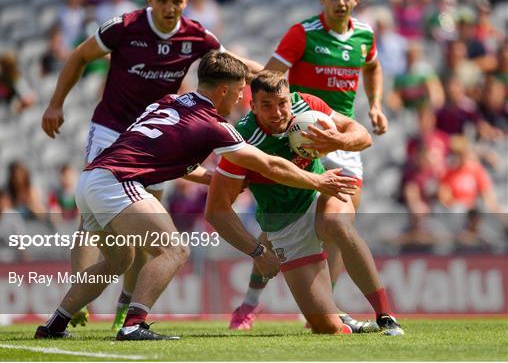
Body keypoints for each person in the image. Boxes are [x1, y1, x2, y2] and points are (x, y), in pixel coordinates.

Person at [34, 51, 357, 341]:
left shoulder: (169, 102)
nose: (242, 97)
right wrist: (316, 180)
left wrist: (218, 178)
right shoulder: (214, 124)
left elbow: (171, 161)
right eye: (241, 91)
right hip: (118, 182)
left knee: (120, 259)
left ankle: (54, 325)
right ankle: (134, 324)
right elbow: (269, 163)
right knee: (173, 249)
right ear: (224, 91)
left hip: (91, 179)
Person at [41, 0, 263, 329]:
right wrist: (55, 104)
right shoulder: (124, 27)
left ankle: (125, 307)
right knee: (93, 220)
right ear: (150, 1)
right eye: (162, 1)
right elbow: (79, 56)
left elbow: (234, 68)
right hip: (112, 129)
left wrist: (273, 79)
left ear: (186, 3)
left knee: (147, 226)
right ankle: (80, 301)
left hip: (157, 137)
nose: (169, 8)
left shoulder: (197, 36)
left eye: (176, 2)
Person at [230, 0, 390, 330]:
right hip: (299, 132)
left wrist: (376, 104)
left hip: (341, 137)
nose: (341, 2)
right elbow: (269, 79)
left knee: (340, 226)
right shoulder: (302, 34)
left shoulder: (365, 35)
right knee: (277, 226)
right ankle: (251, 300)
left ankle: (326, 307)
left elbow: (374, 67)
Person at [207, 71, 403, 335]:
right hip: (285, 227)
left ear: (290, 99)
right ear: (252, 106)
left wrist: (339, 140)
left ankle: (385, 315)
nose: (277, 112)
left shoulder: (306, 105)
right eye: (267, 106)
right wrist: (257, 251)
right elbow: (216, 210)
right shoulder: (241, 141)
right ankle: (343, 323)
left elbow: (363, 136)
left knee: (336, 223)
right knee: (325, 327)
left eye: (282, 103)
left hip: (320, 196)